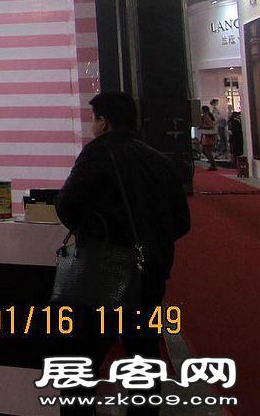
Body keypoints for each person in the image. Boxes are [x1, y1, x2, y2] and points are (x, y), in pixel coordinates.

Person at [54, 92, 190, 416]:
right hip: (150, 274)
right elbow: (182, 222)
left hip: (103, 274)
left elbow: (67, 206)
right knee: (144, 359)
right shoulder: (160, 160)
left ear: (104, 122)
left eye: (94, 119)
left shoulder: (97, 154)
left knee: (82, 361)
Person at [197, 105, 218, 171]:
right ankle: (212, 164)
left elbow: (210, 126)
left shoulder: (207, 117)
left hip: (209, 136)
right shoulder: (207, 116)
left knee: (207, 151)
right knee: (205, 150)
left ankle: (213, 165)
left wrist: (202, 126)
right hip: (208, 136)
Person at [229, 110, 246, 176]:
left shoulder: (231, 121)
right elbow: (237, 131)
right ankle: (237, 163)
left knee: (235, 151)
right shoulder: (235, 122)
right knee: (237, 151)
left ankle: (236, 163)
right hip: (237, 139)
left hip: (234, 139)